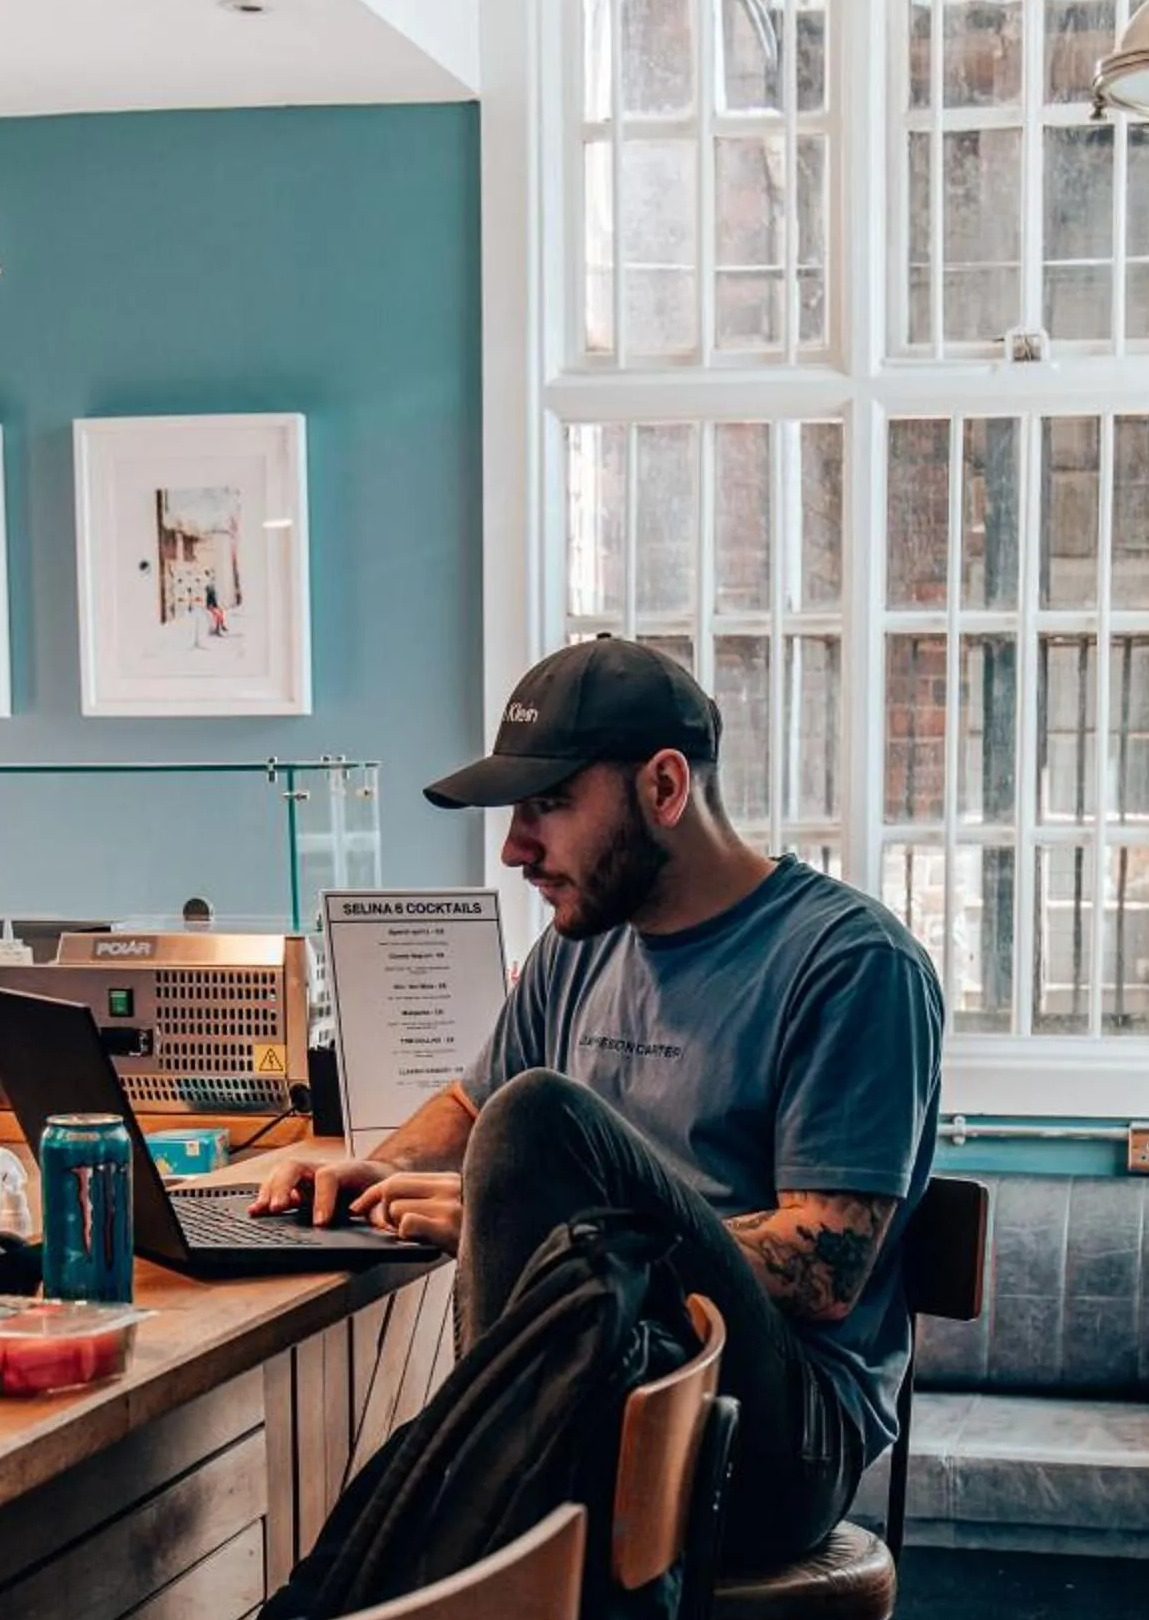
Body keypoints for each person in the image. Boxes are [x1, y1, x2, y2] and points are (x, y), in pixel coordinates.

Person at [256, 635, 943, 1566]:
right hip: (604, 1382)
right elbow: (472, 1105)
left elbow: (822, 1274)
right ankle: (474, 1570)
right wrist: (380, 1164)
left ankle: (480, 1565)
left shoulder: (853, 963)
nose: (514, 848)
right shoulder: (580, 944)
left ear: (664, 788)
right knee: (419, 1520)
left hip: (779, 1430)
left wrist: (548, 1234)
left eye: (549, 805)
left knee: (544, 1121)